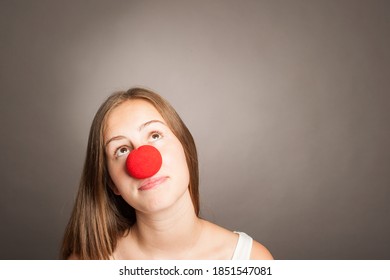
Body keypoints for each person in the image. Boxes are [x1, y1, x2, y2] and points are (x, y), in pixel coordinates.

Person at [61, 87, 273, 260]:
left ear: (185, 149)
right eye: (122, 150)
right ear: (112, 183)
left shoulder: (251, 260)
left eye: (154, 135)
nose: (143, 161)